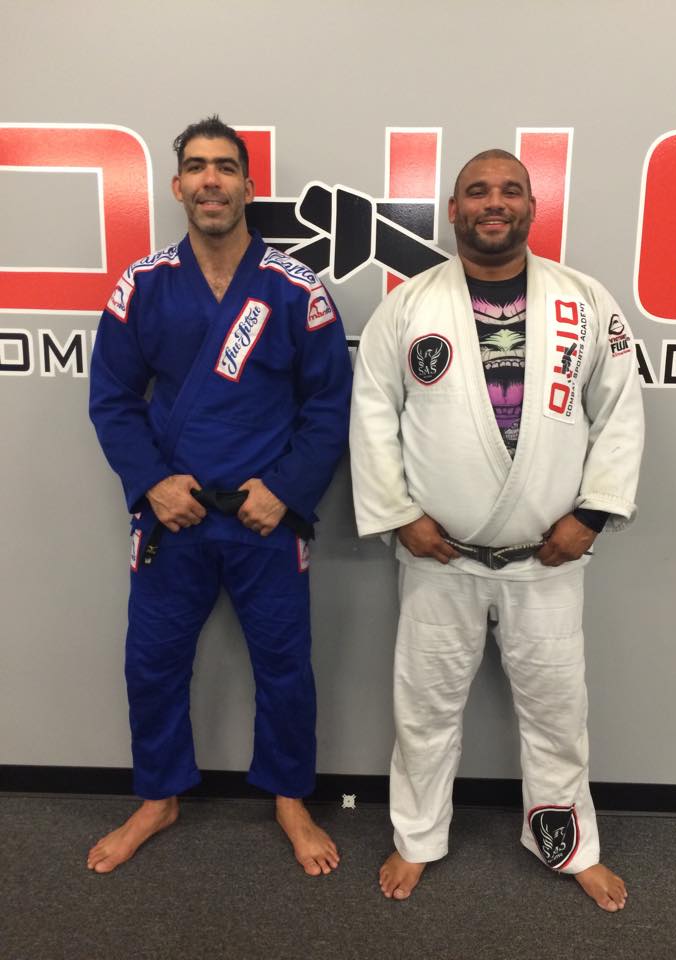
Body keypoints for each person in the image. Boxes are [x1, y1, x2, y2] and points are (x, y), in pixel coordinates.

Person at [349, 149, 643, 911]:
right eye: (477, 191)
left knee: (557, 712)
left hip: (548, 560)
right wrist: (400, 516)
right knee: (424, 709)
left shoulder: (585, 301)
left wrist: (592, 514)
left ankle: (567, 844)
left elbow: (619, 410)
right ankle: (417, 837)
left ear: (532, 208)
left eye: (510, 190)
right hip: (437, 558)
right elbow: (373, 413)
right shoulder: (409, 306)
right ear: (453, 210)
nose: (494, 203)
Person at [88, 115, 352, 876]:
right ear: (178, 186)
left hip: (264, 519)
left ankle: (290, 797)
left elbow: (329, 404)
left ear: (248, 186)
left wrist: (287, 490)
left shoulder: (296, 288)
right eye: (198, 167)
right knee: (152, 663)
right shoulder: (143, 285)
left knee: (285, 666)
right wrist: (151, 483)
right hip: (174, 518)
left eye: (226, 167)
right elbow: (112, 398)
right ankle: (159, 794)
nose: (212, 180)